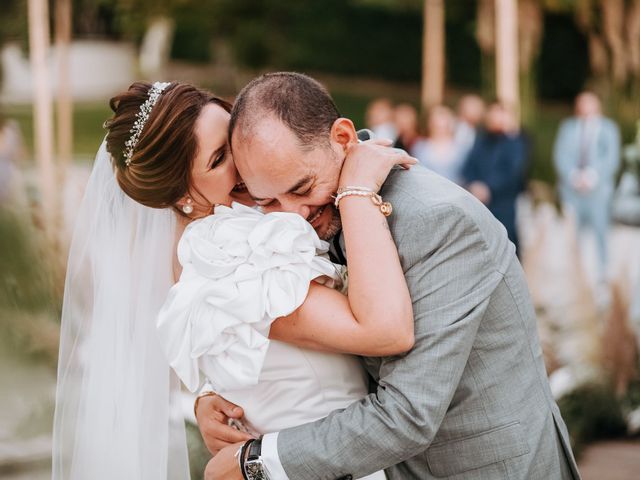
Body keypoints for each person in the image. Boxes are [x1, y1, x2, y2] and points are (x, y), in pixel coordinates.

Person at [201, 72, 580, 480]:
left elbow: (409, 414)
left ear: (343, 138)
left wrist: (255, 462)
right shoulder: (309, 212)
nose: (293, 216)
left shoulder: (438, 221)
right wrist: (209, 398)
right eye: (269, 201)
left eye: (302, 187)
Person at [51, 81, 415, 480]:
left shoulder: (224, 236)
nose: (244, 159)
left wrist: (207, 396)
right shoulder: (228, 258)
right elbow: (385, 330)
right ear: (181, 195)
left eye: (233, 137)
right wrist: (358, 190)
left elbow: (250, 356)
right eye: (219, 158)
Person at [553, 91, 621, 283]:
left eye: (589, 102)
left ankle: (603, 272)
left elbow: (612, 158)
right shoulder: (568, 127)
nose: (585, 107)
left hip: (598, 190)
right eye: (581, 103)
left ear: (597, 104)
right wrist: (573, 176)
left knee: (601, 230)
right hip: (571, 189)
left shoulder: (609, 128)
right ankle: (574, 272)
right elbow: (560, 155)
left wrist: (592, 177)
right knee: (572, 233)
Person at [462, 102, 527, 255]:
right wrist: (474, 185)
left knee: (507, 245)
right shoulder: (481, 140)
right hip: (480, 202)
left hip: (504, 203)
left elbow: (513, 172)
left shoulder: (516, 142)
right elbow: (469, 166)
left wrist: (488, 187)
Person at [412, 105, 466, 185]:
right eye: (437, 124)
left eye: (443, 123)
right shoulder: (420, 146)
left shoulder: (461, 148)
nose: (440, 127)